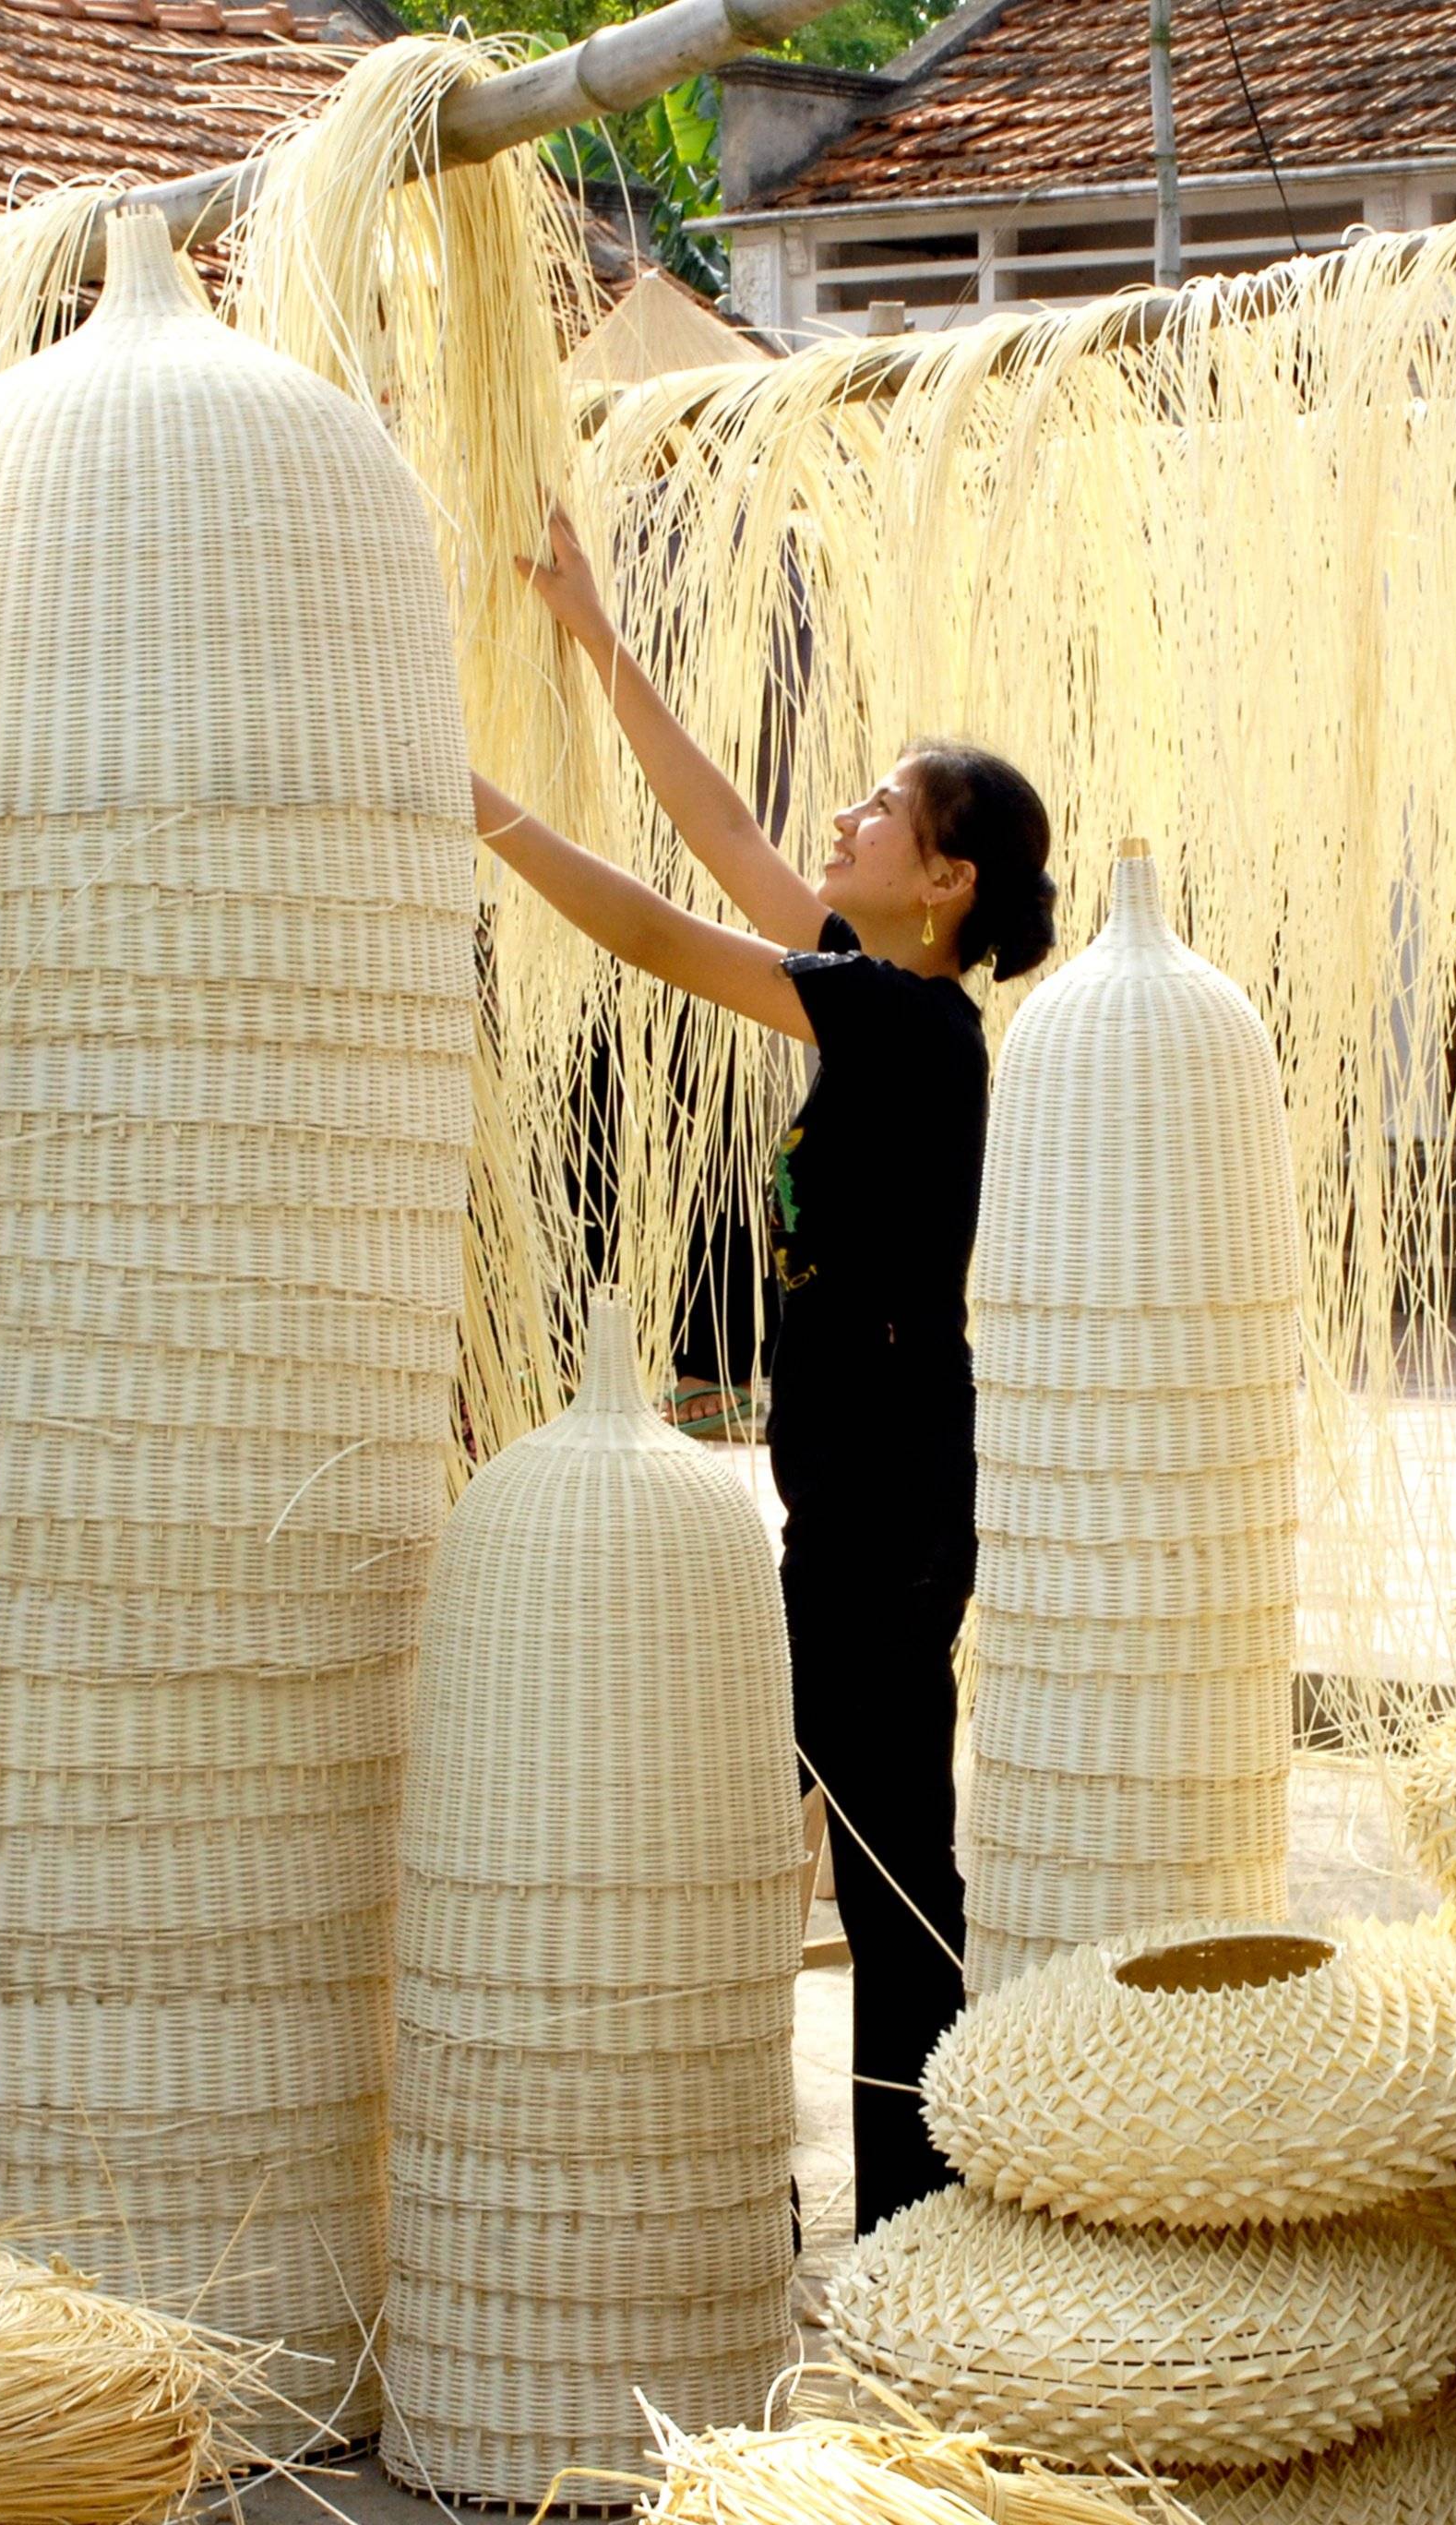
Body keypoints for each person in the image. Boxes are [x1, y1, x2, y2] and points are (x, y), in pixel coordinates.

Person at [477, 509, 1056, 2229]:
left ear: (945, 882)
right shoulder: (871, 985)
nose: (852, 816)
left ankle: (917, 2225)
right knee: (842, 1850)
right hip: (852, 1508)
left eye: (886, 808)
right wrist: (594, 638)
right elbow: (717, 826)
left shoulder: (905, 1023)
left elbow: (659, 936)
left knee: (890, 1877)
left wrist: (486, 810)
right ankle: (874, 2207)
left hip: (884, 1518)